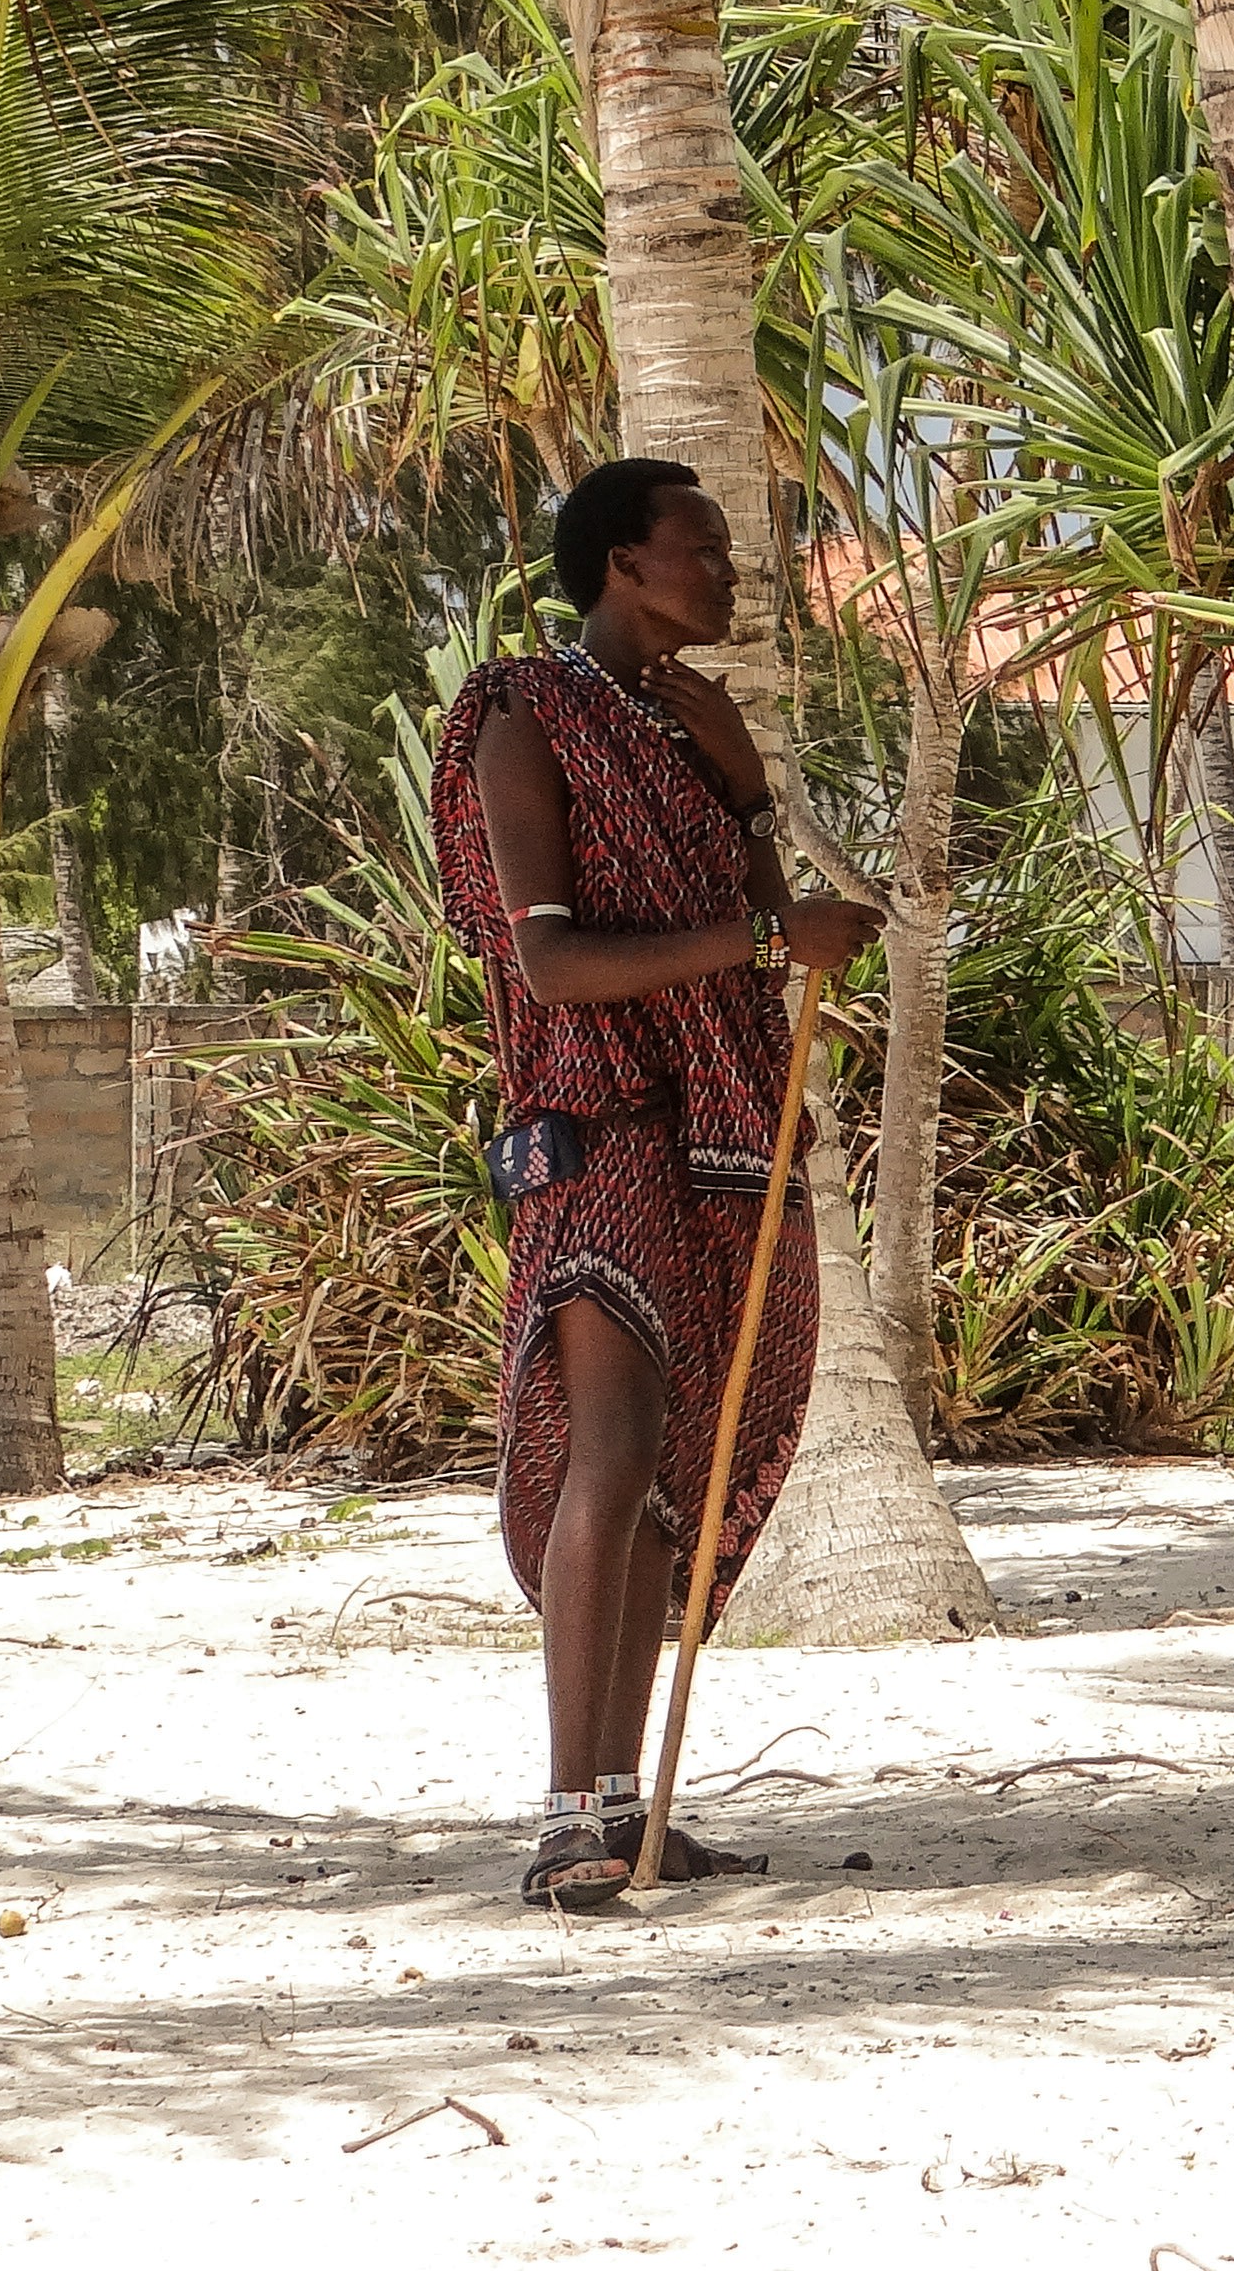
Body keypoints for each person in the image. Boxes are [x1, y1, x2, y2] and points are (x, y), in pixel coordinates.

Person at [430, 457, 879, 1906]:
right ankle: (571, 1814)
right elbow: (554, 962)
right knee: (613, 1448)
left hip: (730, 1139)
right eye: (703, 546)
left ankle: (627, 1806)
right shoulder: (521, 717)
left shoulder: (688, 731)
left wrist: (749, 799)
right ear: (621, 563)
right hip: (600, 1121)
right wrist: (763, 947)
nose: (728, 569)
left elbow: (759, 926)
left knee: (677, 1474)